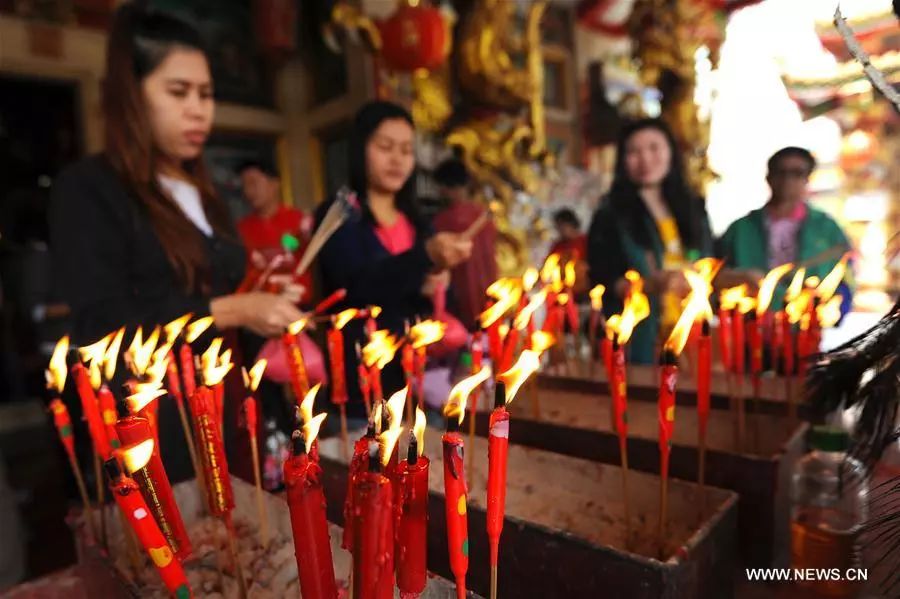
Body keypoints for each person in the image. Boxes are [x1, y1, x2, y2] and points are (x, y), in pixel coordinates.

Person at [49, 5, 302, 480]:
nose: (198, 109)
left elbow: (222, 287)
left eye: (206, 94)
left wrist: (265, 302)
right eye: (178, 92)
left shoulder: (209, 198)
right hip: (154, 425)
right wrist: (234, 309)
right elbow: (102, 321)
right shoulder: (89, 189)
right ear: (132, 96)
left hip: (225, 404)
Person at [316, 101, 472, 417]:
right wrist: (424, 260)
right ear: (361, 149)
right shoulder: (338, 217)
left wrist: (439, 283)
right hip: (365, 382)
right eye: (385, 147)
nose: (397, 159)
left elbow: (437, 296)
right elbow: (356, 285)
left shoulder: (419, 222)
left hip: (422, 380)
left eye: (406, 150)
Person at [587, 118, 713, 364]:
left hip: (692, 332)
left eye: (654, 148)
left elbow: (709, 262)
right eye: (634, 151)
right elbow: (601, 278)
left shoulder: (693, 207)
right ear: (622, 160)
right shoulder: (611, 214)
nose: (645, 159)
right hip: (641, 336)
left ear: (670, 152)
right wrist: (646, 285)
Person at [718, 146, 852, 313]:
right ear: (768, 177)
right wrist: (738, 278)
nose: (788, 180)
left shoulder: (826, 229)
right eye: (780, 172)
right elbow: (712, 276)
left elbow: (846, 279)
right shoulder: (741, 229)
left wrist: (831, 306)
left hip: (806, 327)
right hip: (750, 325)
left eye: (797, 173)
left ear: (807, 178)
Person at [432, 158, 497, 331]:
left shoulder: (444, 220)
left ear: (448, 187)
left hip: (461, 292)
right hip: (489, 285)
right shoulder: (484, 215)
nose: (440, 192)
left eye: (442, 187)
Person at [237, 160, 313, 305]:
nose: (248, 191)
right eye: (244, 186)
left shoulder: (300, 221)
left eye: (253, 183)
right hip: (260, 307)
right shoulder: (241, 229)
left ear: (274, 183)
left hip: (299, 302)